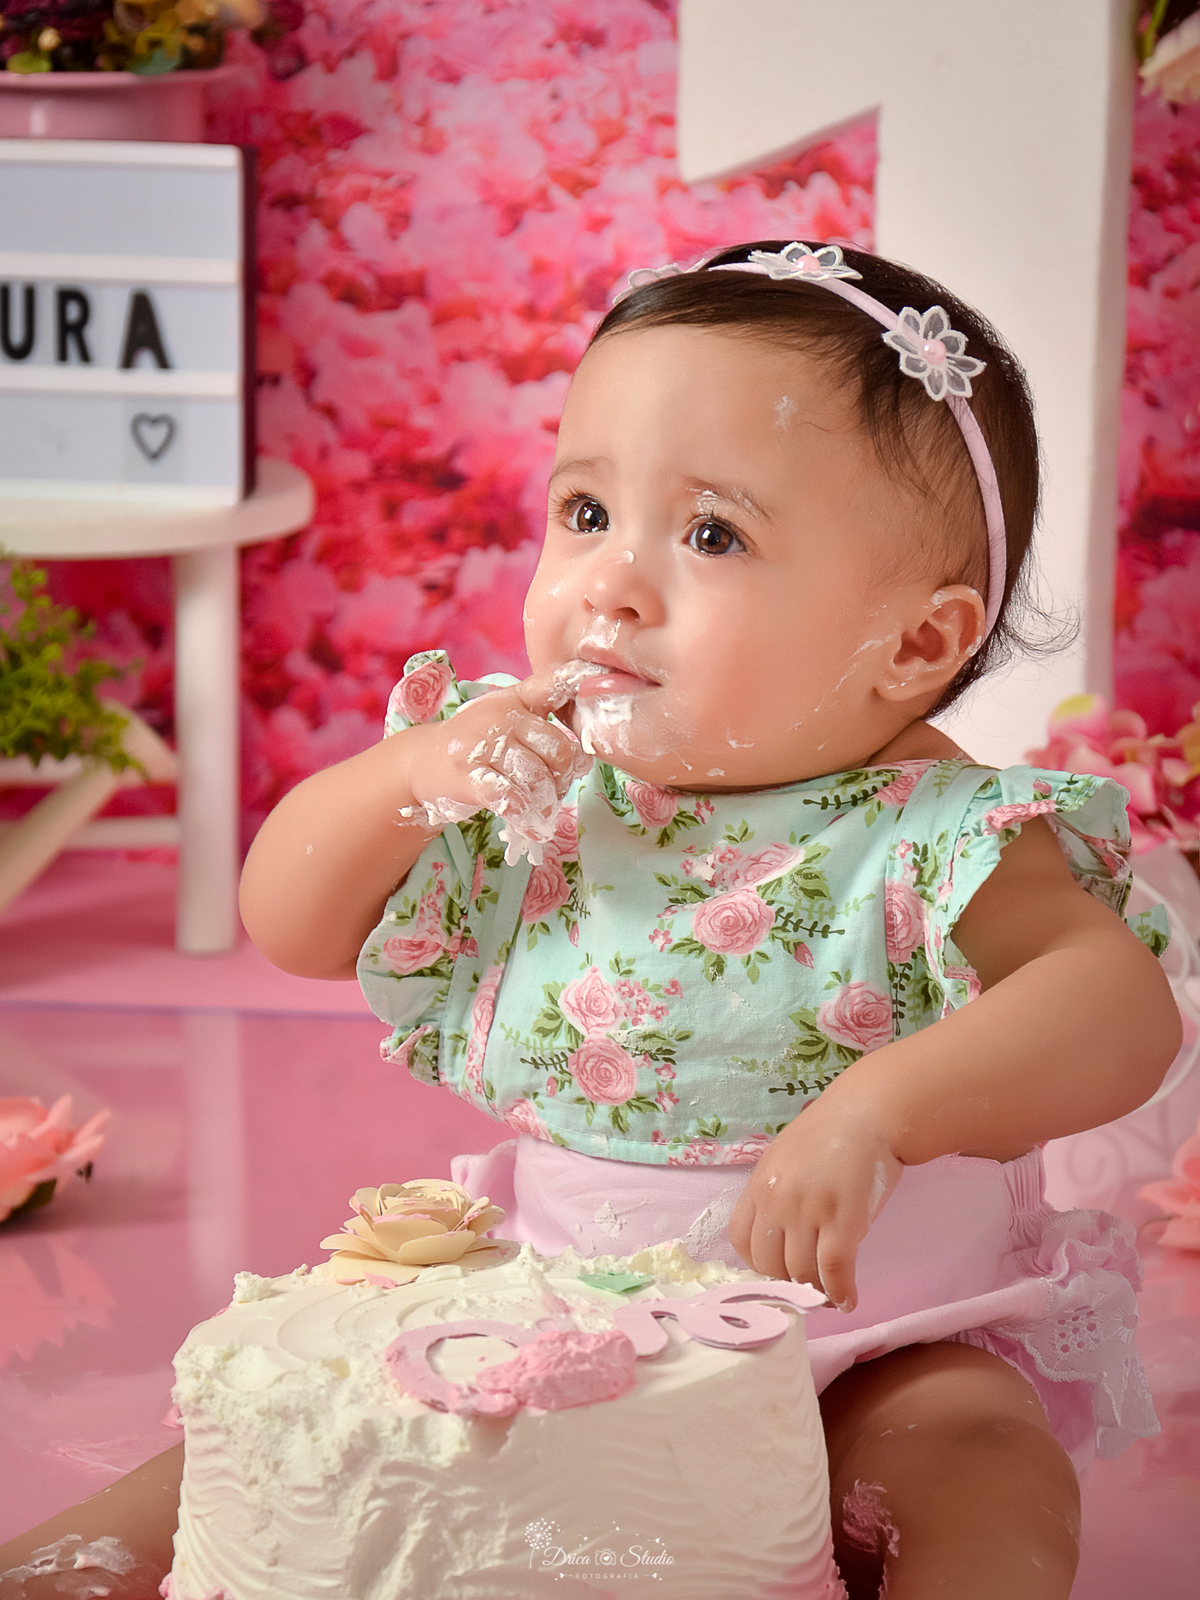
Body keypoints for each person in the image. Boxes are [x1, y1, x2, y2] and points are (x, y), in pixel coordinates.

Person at [2, 241, 1180, 1600]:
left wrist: (880, 1112)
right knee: (273, 1449)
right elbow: (293, 923)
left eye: (711, 534)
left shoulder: (931, 829)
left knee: (975, 1455)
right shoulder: (541, 783)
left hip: (879, 1333)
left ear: (914, 644)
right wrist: (407, 783)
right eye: (582, 514)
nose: (610, 584)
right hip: (561, 1301)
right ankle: (75, 1567)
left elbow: (1114, 1006)